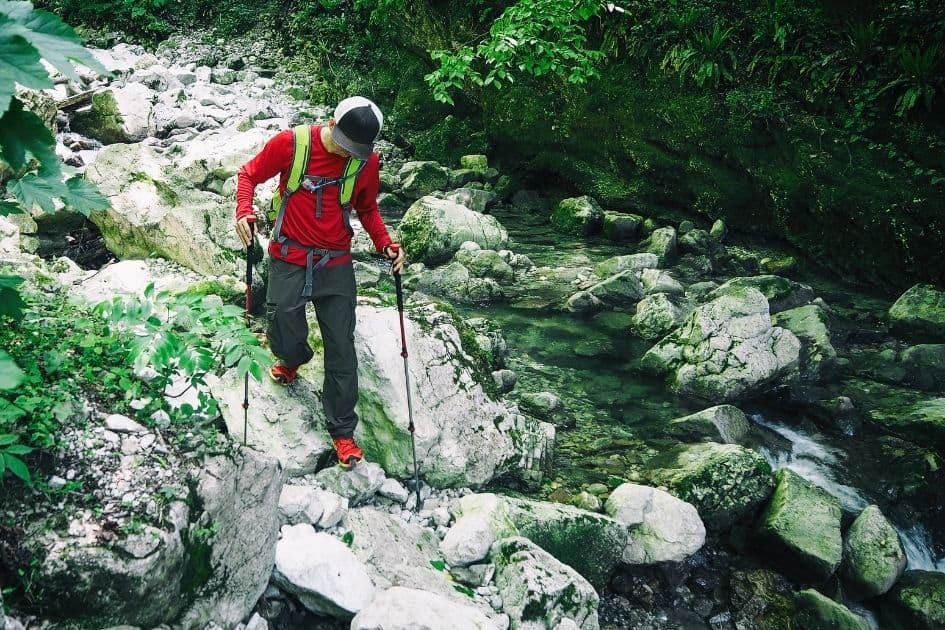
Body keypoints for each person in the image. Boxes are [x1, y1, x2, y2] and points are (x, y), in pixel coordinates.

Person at [234, 96, 405, 468]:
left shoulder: (366, 161)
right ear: (331, 123)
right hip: (289, 255)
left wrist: (385, 243)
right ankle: (294, 358)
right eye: (344, 147)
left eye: (356, 151)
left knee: (341, 346)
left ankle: (342, 431)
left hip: (336, 261)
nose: (349, 156)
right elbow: (248, 174)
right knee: (282, 326)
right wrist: (244, 211)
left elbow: (367, 207)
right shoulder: (291, 144)